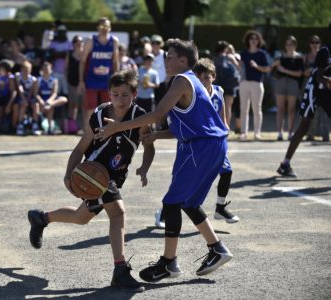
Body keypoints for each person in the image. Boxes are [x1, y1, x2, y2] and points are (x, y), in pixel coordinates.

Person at [96, 39, 233, 281]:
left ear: (183, 60)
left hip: (200, 148)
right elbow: (190, 125)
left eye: (169, 56)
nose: (165, 60)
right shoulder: (190, 82)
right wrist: (158, 134)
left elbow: (157, 113)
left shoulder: (182, 80)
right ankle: (217, 249)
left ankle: (169, 263)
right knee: (188, 203)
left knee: (171, 203)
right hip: (212, 145)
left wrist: (118, 127)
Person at [27, 69, 155, 292]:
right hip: (94, 173)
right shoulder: (97, 116)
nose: (120, 99)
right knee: (118, 213)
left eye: (125, 94)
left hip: (111, 177)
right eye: (115, 94)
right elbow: (80, 147)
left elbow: (149, 146)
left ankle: (41, 218)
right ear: (109, 93)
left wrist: (144, 167)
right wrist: (69, 174)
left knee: (80, 217)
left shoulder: (140, 117)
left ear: (134, 93)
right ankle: (120, 270)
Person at [150, 58, 240, 229]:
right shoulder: (192, 93)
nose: (203, 81)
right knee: (179, 181)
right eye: (200, 78)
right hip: (191, 143)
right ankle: (163, 213)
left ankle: (220, 208)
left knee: (227, 171)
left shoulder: (218, 92)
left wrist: (224, 131)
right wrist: (157, 134)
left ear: (213, 76)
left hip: (212, 142)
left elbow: (222, 119)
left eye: (207, 77)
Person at [277, 47, 331, 177]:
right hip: (315, 91)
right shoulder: (324, 54)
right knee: (303, 127)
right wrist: (328, 81)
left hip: (327, 93)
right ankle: (285, 164)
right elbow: (319, 77)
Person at [78, 17, 119, 132]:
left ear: (110, 28)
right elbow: (83, 61)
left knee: (108, 109)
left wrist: (117, 78)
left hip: (107, 80)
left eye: (106, 26)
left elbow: (115, 61)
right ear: (98, 28)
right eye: (102, 26)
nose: (104, 29)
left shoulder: (114, 41)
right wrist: (81, 80)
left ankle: (106, 133)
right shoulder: (91, 41)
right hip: (91, 80)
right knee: (90, 109)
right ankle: (88, 134)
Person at [238, 30, 271, 141]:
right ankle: (244, 132)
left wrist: (257, 66)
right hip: (244, 83)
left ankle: (257, 133)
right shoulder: (244, 53)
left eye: (256, 38)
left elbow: (267, 69)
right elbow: (240, 67)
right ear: (248, 40)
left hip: (257, 84)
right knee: (244, 108)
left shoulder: (262, 54)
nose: (253, 40)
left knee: (257, 109)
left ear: (259, 41)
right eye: (251, 38)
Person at [272, 36, 304, 141]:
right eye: (287, 44)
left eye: (291, 44)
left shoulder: (299, 57)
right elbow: (271, 67)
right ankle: (279, 133)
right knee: (280, 109)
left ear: (295, 45)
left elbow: (299, 74)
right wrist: (274, 64)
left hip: (293, 83)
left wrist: (284, 70)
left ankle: (290, 132)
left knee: (291, 109)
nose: (288, 46)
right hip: (281, 82)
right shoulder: (280, 56)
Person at [33, 61, 68, 135]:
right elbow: (36, 94)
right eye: (44, 69)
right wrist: (41, 101)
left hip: (50, 99)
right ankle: (38, 126)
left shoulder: (54, 80)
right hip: (41, 99)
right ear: (42, 70)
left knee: (64, 99)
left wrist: (49, 102)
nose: (46, 71)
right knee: (37, 105)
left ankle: (49, 128)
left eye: (48, 69)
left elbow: (54, 93)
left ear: (51, 70)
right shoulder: (38, 80)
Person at [213, 41, 240, 131]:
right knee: (228, 106)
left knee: (217, 105)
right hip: (230, 84)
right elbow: (238, 67)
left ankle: (216, 125)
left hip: (217, 84)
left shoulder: (214, 58)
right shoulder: (229, 57)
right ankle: (226, 127)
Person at [65, 35, 84, 134]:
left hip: (83, 84)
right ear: (73, 43)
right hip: (72, 83)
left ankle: (83, 126)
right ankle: (71, 126)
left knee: (83, 106)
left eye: (80, 41)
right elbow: (66, 68)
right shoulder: (69, 54)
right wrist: (67, 81)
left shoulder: (85, 54)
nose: (78, 43)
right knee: (73, 105)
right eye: (76, 41)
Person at [15, 60, 37, 135]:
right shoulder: (18, 77)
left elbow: (32, 91)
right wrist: (24, 99)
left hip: (29, 97)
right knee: (23, 104)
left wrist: (27, 100)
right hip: (21, 96)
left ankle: (35, 124)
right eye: (24, 70)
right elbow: (19, 88)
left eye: (27, 70)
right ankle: (20, 125)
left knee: (35, 105)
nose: (26, 71)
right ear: (21, 70)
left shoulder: (33, 79)